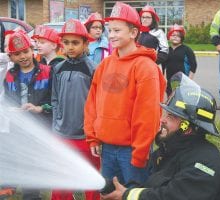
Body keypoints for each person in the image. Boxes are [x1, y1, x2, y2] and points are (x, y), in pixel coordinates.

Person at [100, 72, 220, 200]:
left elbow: (171, 196)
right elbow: (150, 182)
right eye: (165, 114)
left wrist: (128, 195)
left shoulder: (205, 165)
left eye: (171, 117)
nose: (162, 120)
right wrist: (118, 188)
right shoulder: (170, 148)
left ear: (187, 127)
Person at [84, 1, 166, 186]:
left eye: (117, 30)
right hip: (107, 148)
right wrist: (93, 137)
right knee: (109, 194)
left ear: (133, 33)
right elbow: (92, 103)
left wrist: (140, 153)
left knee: (133, 194)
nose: (111, 35)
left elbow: (148, 115)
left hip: (132, 151)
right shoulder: (105, 65)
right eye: (110, 30)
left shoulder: (145, 67)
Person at [51, 19, 100, 200]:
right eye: (66, 42)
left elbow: (98, 103)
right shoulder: (57, 68)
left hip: (85, 136)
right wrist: (56, 125)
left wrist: (93, 131)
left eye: (75, 42)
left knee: (90, 180)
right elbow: (54, 99)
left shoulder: (93, 69)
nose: (70, 47)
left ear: (86, 43)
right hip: (62, 134)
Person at [3, 30, 52, 200]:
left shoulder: (48, 72)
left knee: (34, 167)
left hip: (40, 129)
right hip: (17, 129)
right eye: (17, 54)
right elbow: (7, 100)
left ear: (33, 50)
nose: (22, 56)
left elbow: (56, 102)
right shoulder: (9, 76)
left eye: (25, 51)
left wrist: (41, 108)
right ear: (11, 57)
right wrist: (10, 110)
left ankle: (32, 195)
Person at [163, 24, 197, 96]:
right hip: (170, 81)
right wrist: (164, 79)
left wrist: (189, 80)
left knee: (181, 100)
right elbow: (163, 66)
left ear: (182, 38)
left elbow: (193, 65)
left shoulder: (187, 50)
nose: (175, 37)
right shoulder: (167, 50)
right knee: (171, 99)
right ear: (169, 37)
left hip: (183, 81)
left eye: (178, 36)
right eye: (173, 35)